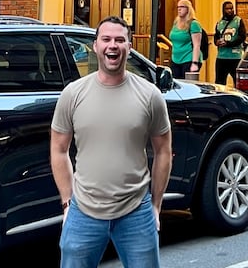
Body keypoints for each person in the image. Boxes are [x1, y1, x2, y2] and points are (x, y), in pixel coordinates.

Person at [50, 15, 172, 268]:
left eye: (120, 40)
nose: (112, 45)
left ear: (129, 46)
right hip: (83, 211)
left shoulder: (150, 96)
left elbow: (164, 152)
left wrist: (156, 206)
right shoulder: (73, 94)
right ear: (95, 46)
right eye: (106, 39)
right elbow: (59, 149)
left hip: (136, 211)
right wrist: (66, 204)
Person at [213, 0, 246, 85]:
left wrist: (229, 44)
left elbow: (242, 37)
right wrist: (217, 42)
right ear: (223, 10)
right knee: (219, 83)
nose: (230, 11)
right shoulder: (219, 23)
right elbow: (216, 36)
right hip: (221, 57)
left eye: (231, 8)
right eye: (227, 9)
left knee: (238, 82)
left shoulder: (238, 21)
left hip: (235, 57)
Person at [168, 0, 202, 78]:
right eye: (178, 7)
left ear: (188, 9)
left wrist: (194, 63)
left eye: (182, 7)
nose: (179, 9)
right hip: (175, 59)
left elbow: (197, 45)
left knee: (187, 85)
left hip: (188, 58)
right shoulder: (176, 22)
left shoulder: (193, 24)